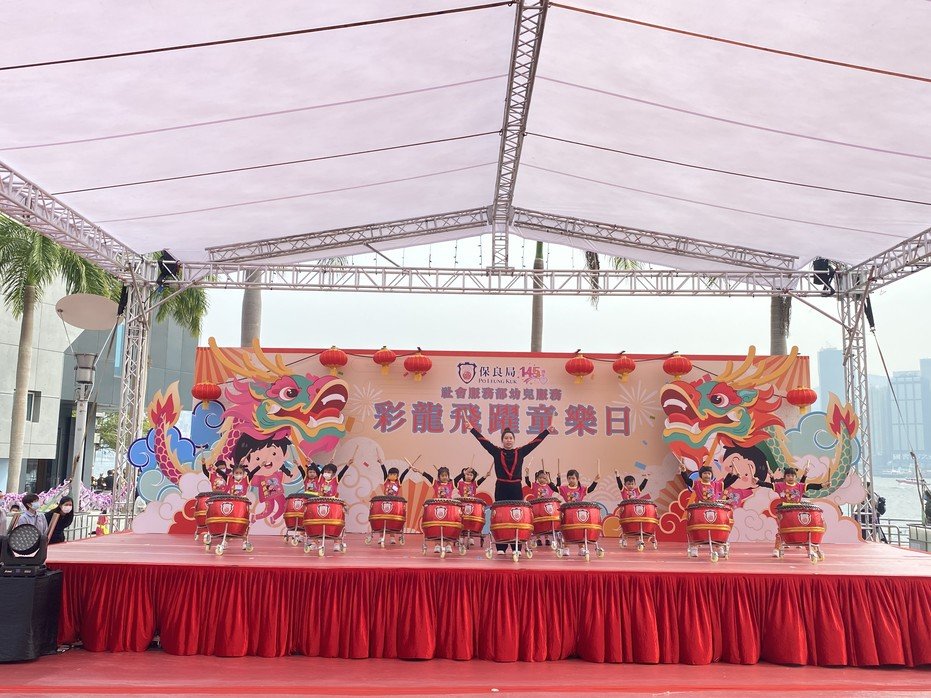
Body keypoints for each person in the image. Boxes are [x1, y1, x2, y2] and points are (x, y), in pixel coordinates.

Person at [466, 422, 555, 554]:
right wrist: (472, 429)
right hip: (501, 487)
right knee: (500, 516)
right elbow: (483, 441)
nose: (508, 440)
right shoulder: (496, 451)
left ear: (514, 440)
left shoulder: (520, 452)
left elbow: (535, 442)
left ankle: (516, 547)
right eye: (506, 438)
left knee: (516, 516)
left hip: (516, 488)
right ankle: (501, 547)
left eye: (511, 438)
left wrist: (546, 431)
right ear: (502, 440)